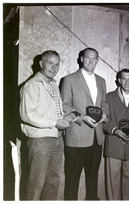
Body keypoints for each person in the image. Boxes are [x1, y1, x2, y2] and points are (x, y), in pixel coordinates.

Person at [19, 50, 70, 200]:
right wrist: (55, 122)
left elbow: (52, 111)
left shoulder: (53, 85)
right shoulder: (32, 85)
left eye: (57, 64)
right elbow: (27, 114)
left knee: (53, 182)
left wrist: (64, 119)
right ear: (41, 64)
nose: (54, 67)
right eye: (50, 63)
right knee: (36, 184)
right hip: (40, 140)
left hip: (57, 138)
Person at [60, 47, 108, 200]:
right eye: (88, 58)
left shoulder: (101, 81)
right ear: (81, 59)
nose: (91, 61)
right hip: (77, 137)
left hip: (96, 137)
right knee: (72, 179)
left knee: (93, 178)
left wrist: (104, 114)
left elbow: (104, 103)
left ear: (97, 60)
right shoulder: (69, 79)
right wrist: (82, 118)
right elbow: (65, 105)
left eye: (94, 58)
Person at [103, 69, 129, 200]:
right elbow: (104, 118)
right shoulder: (109, 97)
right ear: (119, 80)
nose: (126, 82)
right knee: (112, 182)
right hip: (114, 145)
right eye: (123, 79)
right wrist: (115, 130)